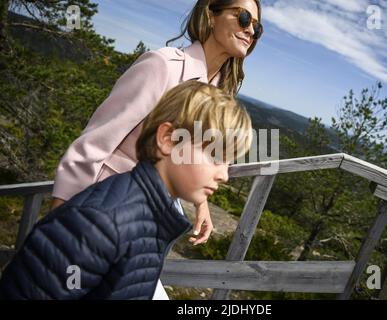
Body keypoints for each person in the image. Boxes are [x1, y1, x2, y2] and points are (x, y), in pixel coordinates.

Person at [50, 0, 262, 299]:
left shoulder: (217, 94)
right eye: (243, 18)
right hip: (102, 216)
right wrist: (59, 226)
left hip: (147, 229)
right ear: (210, 15)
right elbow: (93, 144)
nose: (250, 29)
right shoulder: (163, 65)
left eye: (257, 26)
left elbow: (193, 157)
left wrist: (200, 203)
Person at [0, 81, 253, 300]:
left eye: (229, 161)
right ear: (168, 139)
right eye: (215, 155)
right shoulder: (98, 224)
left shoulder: (151, 215)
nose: (225, 175)